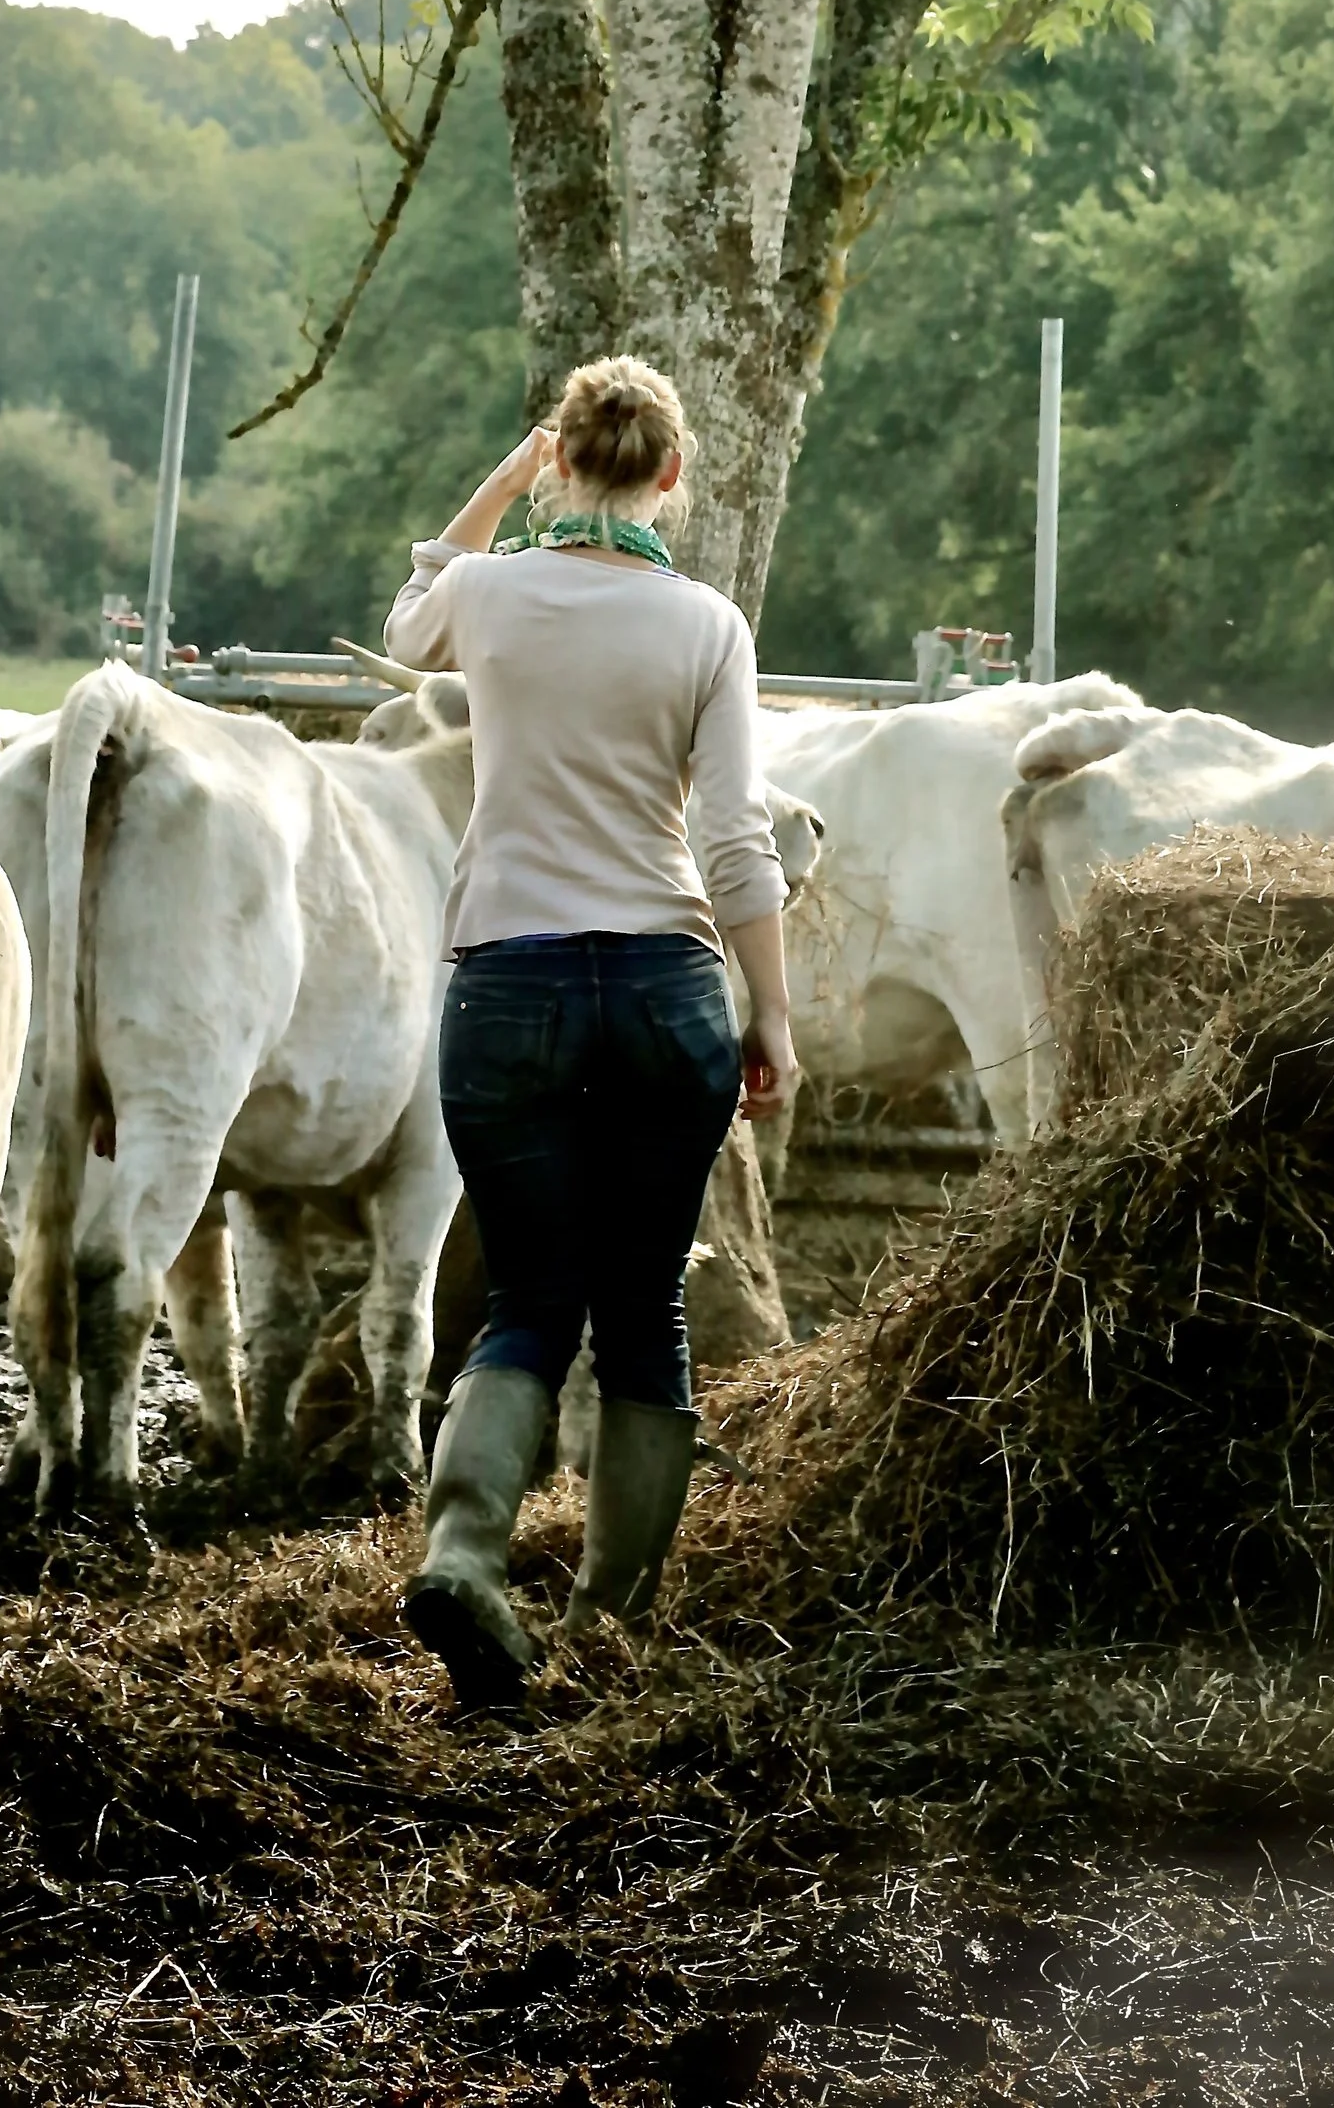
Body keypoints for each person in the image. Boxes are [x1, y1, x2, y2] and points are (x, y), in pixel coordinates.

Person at [383, 355, 796, 1708]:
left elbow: (405, 617)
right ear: (673, 479)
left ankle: (463, 1548)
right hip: (668, 991)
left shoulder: (487, 594)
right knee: (644, 1312)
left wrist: (507, 479)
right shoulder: (708, 628)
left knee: (526, 1301)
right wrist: (772, 1009)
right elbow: (734, 840)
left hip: (507, 985)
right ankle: (611, 1633)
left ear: (561, 460)